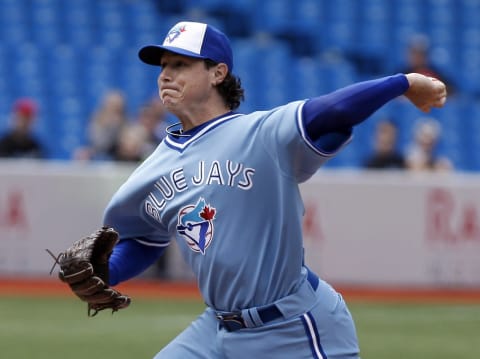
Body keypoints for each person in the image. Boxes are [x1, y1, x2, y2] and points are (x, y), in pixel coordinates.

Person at [93, 21, 446, 358]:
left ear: (218, 72)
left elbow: (333, 112)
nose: (166, 74)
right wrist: (104, 272)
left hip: (294, 327)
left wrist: (403, 82)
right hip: (216, 330)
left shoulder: (260, 135)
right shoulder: (153, 169)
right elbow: (143, 239)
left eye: (181, 64)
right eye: (163, 65)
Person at [73, 90, 129, 161]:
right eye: (112, 104)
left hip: (119, 158)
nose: (114, 108)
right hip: (99, 155)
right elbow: (99, 143)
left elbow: (126, 142)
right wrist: (111, 126)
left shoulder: (126, 122)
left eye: (117, 105)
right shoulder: (97, 120)